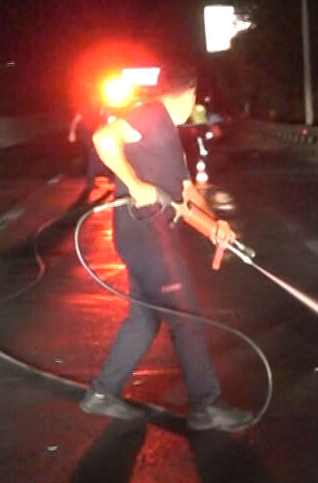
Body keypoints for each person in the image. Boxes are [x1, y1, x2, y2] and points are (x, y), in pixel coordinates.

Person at [80, 62, 252, 432]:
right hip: (147, 238)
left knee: (143, 318)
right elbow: (103, 138)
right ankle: (206, 406)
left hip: (145, 239)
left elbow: (186, 193)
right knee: (185, 317)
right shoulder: (151, 115)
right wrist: (135, 184)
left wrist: (215, 226)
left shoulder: (169, 134)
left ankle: (102, 393)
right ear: (190, 93)